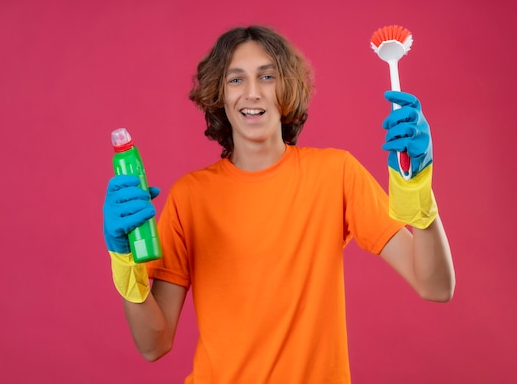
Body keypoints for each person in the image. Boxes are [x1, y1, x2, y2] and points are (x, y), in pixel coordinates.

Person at [102, 25, 455, 383]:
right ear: (219, 95)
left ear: (286, 89)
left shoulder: (336, 173)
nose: (252, 93)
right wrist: (123, 262)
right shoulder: (190, 196)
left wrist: (418, 190)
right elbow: (153, 344)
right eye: (236, 80)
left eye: (267, 76)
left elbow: (436, 286)